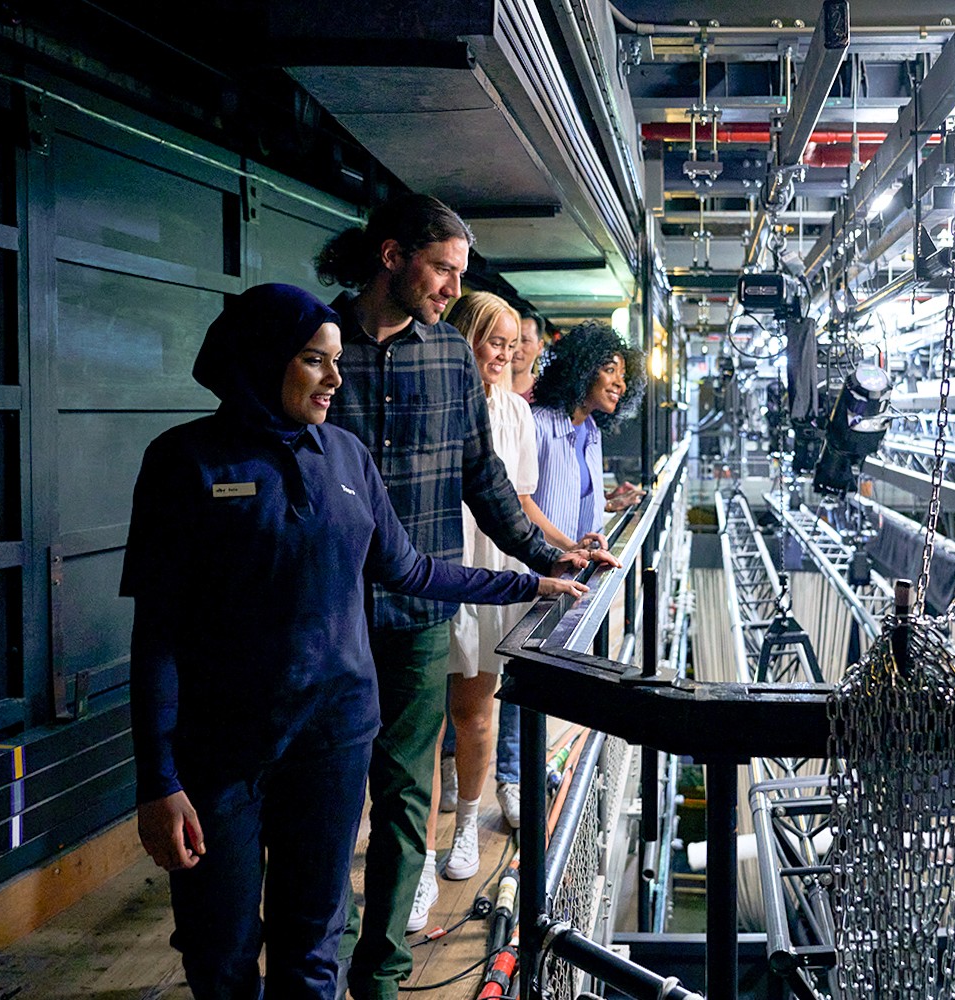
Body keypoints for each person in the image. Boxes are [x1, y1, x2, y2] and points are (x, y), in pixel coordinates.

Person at [120, 284, 586, 1000]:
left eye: (337, 361)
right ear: (261, 359)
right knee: (221, 950)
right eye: (314, 360)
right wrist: (158, 782)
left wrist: (531, 582)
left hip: (331, 740)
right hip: (221, 752)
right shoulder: (183, 463)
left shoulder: (345, 456)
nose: (336, 379)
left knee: (314, 944)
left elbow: (409, 568)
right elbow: (156, 634)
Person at [312, 194, 614, 997]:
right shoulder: (319, 342)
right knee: (324, 793)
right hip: (323, 611)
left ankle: (378, 975)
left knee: (407, 792)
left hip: (415, 609)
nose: (451, 286)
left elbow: (485, 481)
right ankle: (320, 962)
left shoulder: (446, 356)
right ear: (391, 256)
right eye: (441, 267)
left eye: (458, 272)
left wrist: (549, 556)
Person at [435, 294, 600, 876]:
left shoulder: (514, 413)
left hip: (491, 564)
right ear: (464, 339)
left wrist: (563, 552)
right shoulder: (433, 399)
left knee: (476, 709)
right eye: (495, 342)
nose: (506, 354)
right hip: (431, 563)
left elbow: (520, 502)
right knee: (417, 720)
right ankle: (412, 853)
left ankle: (463, 835)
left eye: (513, 344)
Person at [529, 321, 649, 551]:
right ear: (582, 370)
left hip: (574, 576)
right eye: (610, 370)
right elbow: (516, 504)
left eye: (623, 375)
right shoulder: (536, 425)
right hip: (537, 575)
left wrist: (606, 502)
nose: (620, 385)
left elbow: (569, 497)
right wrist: (569, 547)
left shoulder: (591, 430)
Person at [509, 309, 545, 400]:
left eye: (525, 340)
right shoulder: (486, 390)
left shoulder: (544, 394)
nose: (516, 348)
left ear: (540, 347)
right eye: (512, 340)